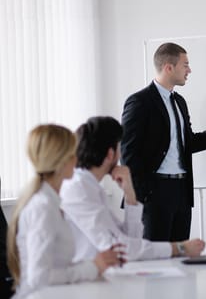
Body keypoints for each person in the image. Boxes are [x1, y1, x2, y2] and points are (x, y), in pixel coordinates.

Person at [121, 42, 206, 242]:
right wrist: (144, 194)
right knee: (157, 261)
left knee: (180, 257)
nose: (189, 70)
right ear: (168, 67)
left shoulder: (179, 102)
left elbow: (189, 143)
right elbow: (128, 153)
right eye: (185, 65)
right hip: (154, 193)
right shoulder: (139, 102)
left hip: (181, 192)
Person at [61, 116, 205, 262]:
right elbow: (123, 250)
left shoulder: (90, 187)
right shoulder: (79, 190)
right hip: (84, 278)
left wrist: (129, 194)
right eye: (119, 147)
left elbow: (130, 239)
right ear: (111, 154)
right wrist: (180, 248)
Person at [6, 124, 122, 298]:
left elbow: (57, 264)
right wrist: (92, 267)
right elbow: (39, 277)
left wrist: (94, 264)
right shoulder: (42, 207)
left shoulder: (51, 202)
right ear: (61, 161)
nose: (77, 160)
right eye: (73, 154)